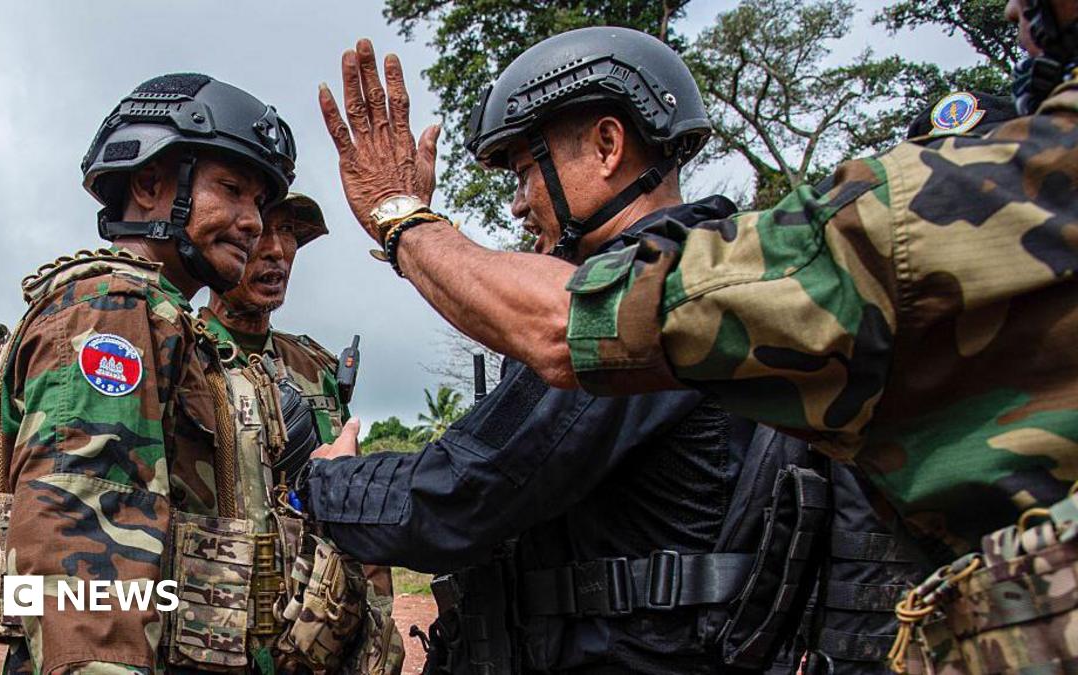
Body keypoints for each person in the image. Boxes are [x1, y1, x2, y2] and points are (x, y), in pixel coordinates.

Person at [317, 1, 1078, 669]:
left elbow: (460, 493)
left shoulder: (652, 307)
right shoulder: (743, 273)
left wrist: (319, 481)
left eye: (524, 170)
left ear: (610, 147)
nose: (518, 205)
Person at [0, 72, 299, 674]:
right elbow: (81, 533)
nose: (253, 223)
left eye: (260, 204)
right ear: (150, 182)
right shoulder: (109, 311)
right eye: (233, 190)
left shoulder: (162, 317)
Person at [198, 191, 396, 600]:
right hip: (214, 617)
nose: (275, 250)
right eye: (259, 231)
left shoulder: (314, 365)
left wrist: (376, 614)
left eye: (286, 231)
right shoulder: (181, 355)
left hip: (312, 623)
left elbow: (352, 501)